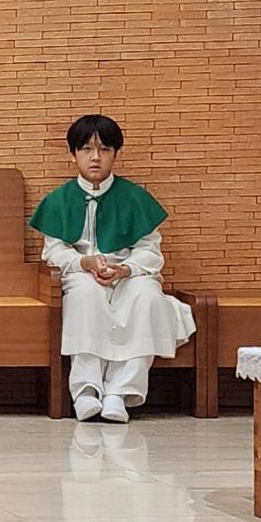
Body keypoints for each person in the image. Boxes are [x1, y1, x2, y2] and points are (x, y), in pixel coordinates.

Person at [31, 115, 196, 423]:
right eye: (86, 149)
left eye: (104, 149)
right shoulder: (58, 200)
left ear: (115, 153)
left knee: (147, 297)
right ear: (73, 154)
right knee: (84, 296)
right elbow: (54, 250)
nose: (95, 157)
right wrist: (84, 262)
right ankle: (86, 391)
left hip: (130, 275)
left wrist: (126, 269)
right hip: (81, 274)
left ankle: (120, 392)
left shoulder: (134, 197)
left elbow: (150, 250)